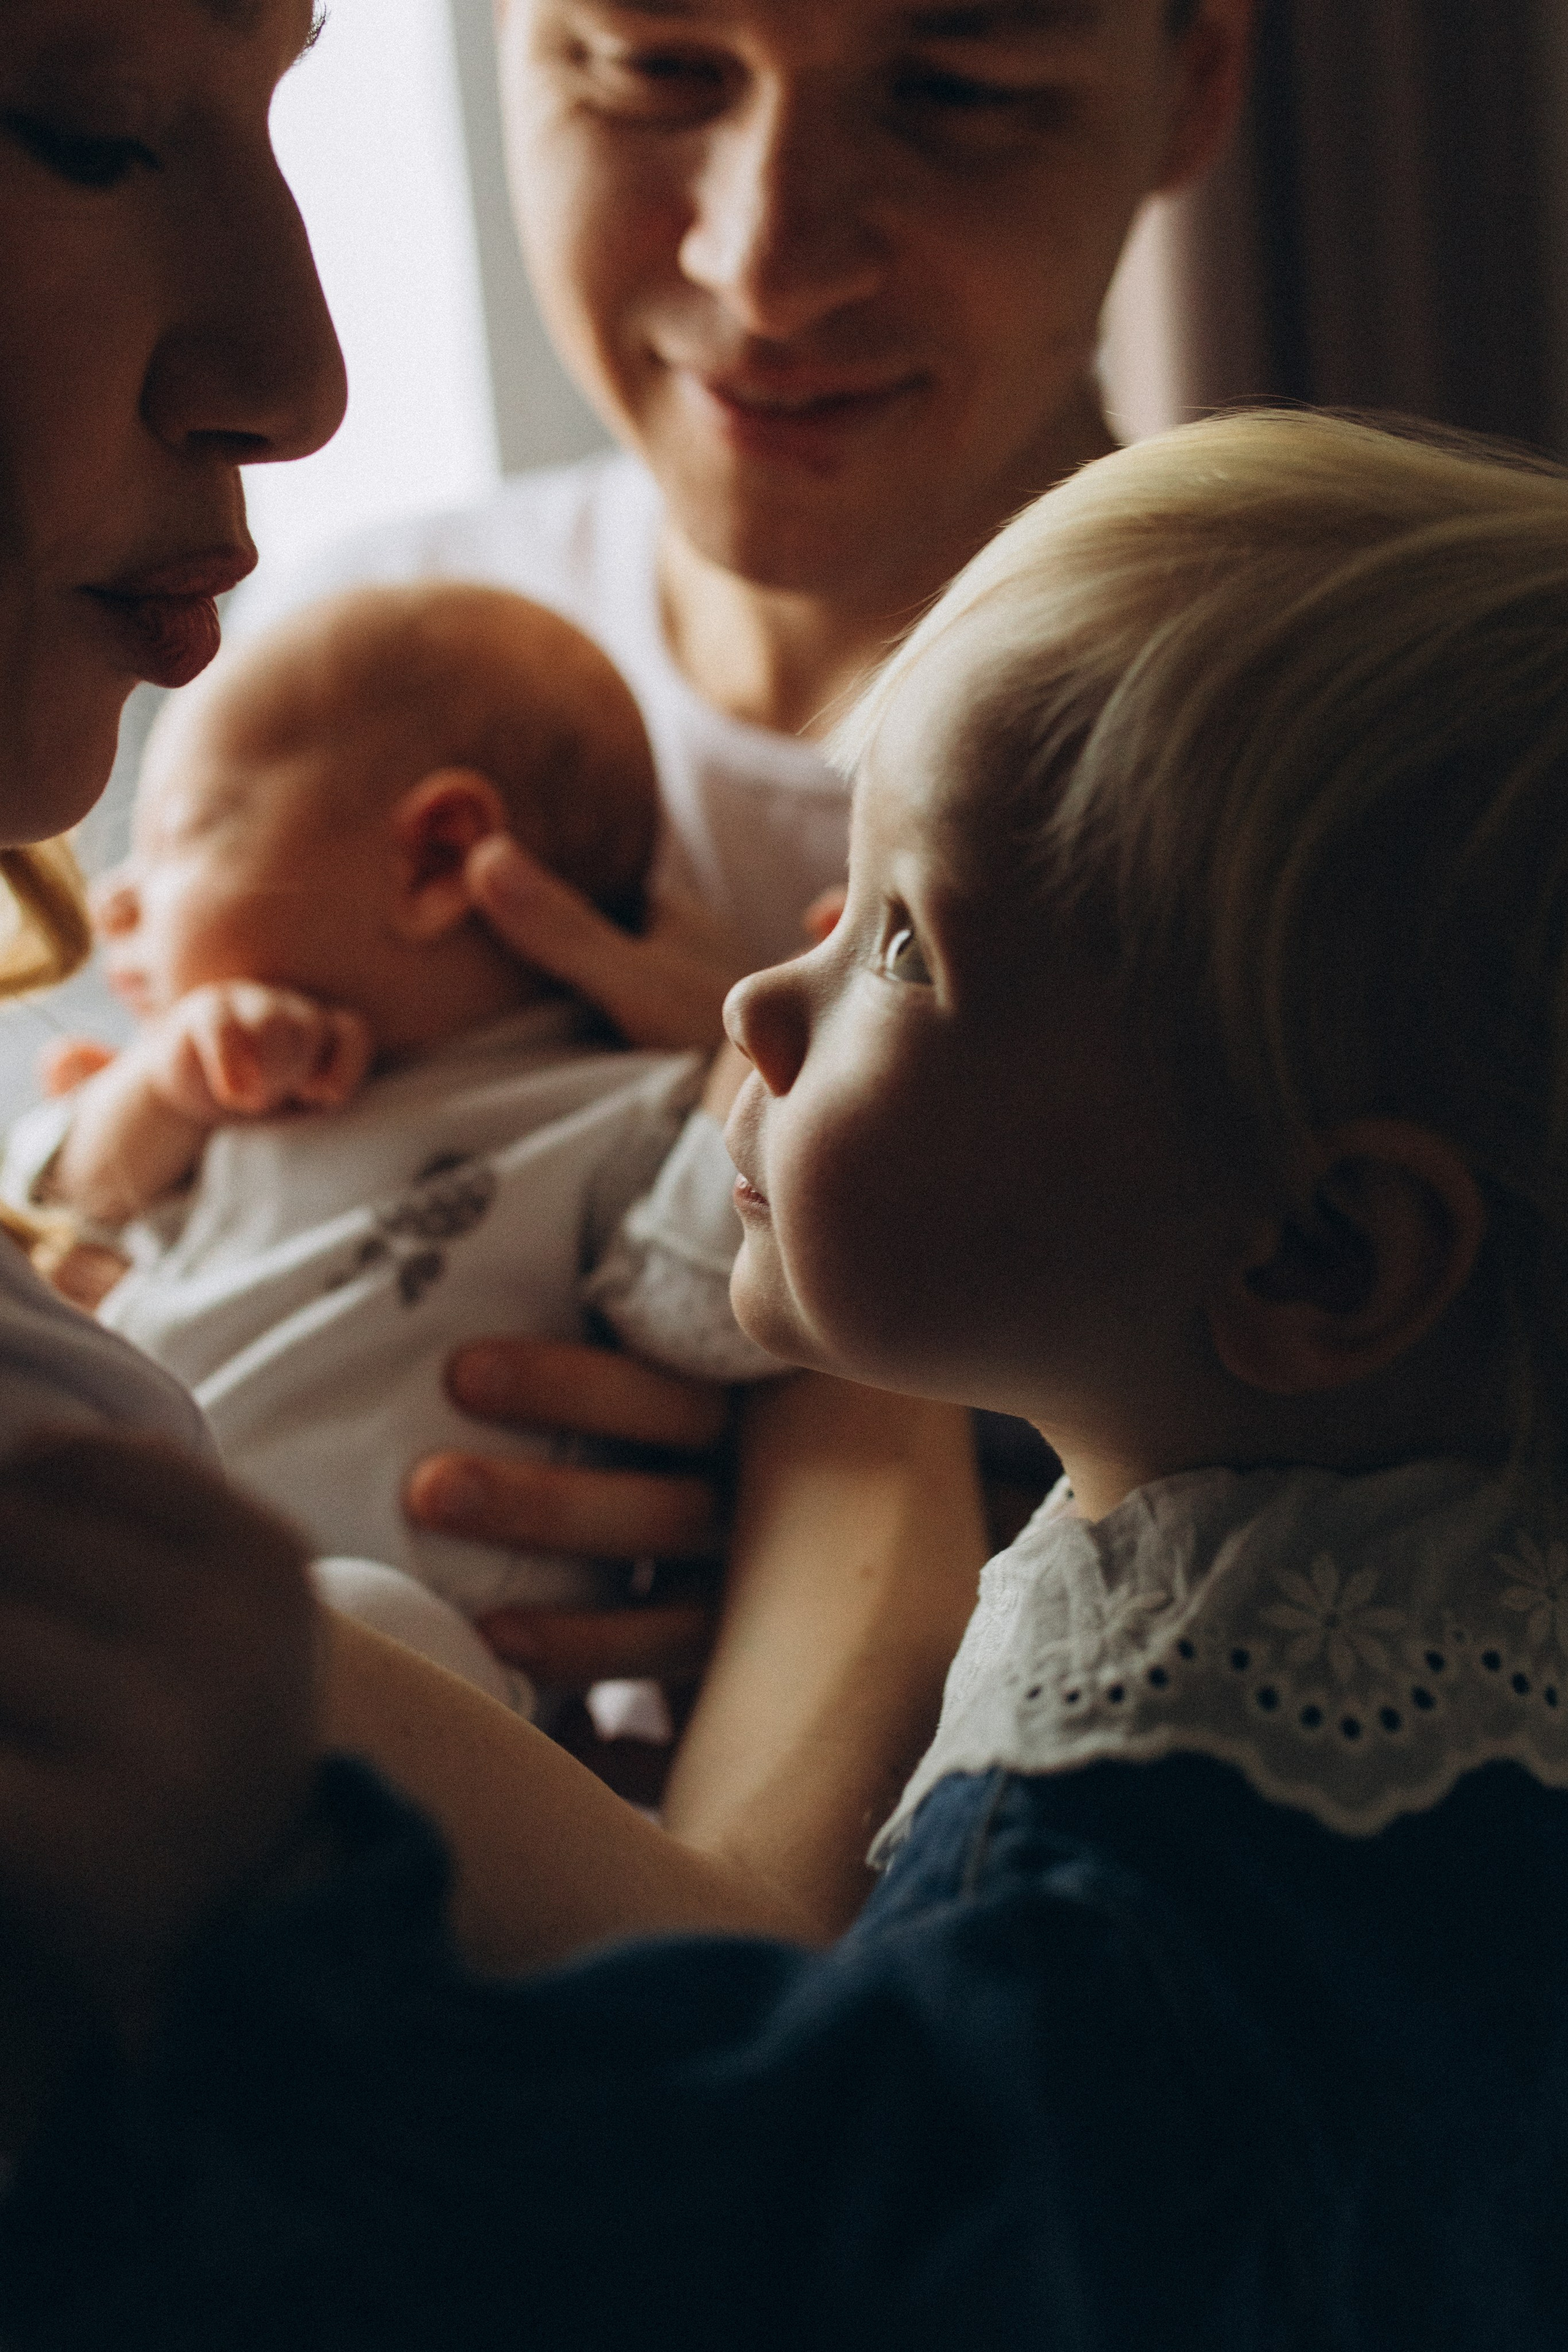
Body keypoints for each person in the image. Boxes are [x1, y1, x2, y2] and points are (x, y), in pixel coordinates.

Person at [6, 409, 1568, 2346]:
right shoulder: (1441, 1653)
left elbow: (757, 2254)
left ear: (1323, 1256)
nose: (751, 997)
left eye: (898, 944)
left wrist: (277, 1921)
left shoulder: (1119, 1881)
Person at [233, 0, 1256, 1688]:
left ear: (1193, 86)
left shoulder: (1338, 800)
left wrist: (841, 1345)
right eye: (653, 73)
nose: (763, 267)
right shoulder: (349, 669)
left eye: (957, 92)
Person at [4, 583, 775, 1717]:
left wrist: (753, 1057)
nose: (119, 900)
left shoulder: (607, 1115)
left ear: (433, 856)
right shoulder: (226, 1101)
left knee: (369, 1620)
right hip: (108, 1617)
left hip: (409, 1685)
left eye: (179, 835)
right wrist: (161, 1090)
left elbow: (716, 1293)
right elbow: (45, 1212)